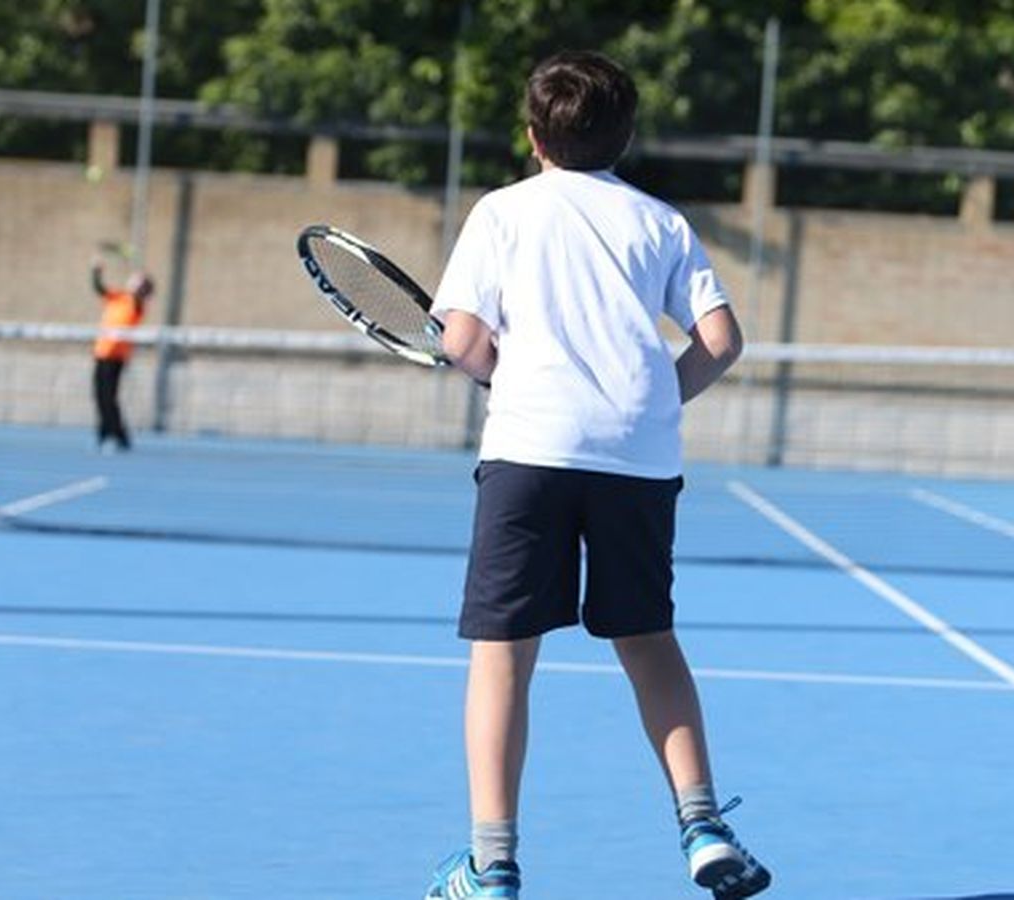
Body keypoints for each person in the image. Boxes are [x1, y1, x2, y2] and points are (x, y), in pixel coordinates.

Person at [423, 51, 771, 900]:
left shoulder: (500, 213)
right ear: (627, 134)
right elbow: (721, 339)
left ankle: (493, 864)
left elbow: (462, 343)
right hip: (637, 462)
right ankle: (703, 828)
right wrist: (658, 401)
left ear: (532, 135)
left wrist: (495, 369)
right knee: (648, 640)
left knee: (504, 657)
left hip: (529, 453)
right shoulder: (660, 221)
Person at [88, 259, 152, 452]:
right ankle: (105, 432)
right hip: (101, 352)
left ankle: (119, 436)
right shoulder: (119, 297)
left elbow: (140, 298)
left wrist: (141, 284)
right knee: (99, 396)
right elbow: (99, 289)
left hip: (116, 357)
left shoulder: (137, 304)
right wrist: (96, 271)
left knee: (109, 397)